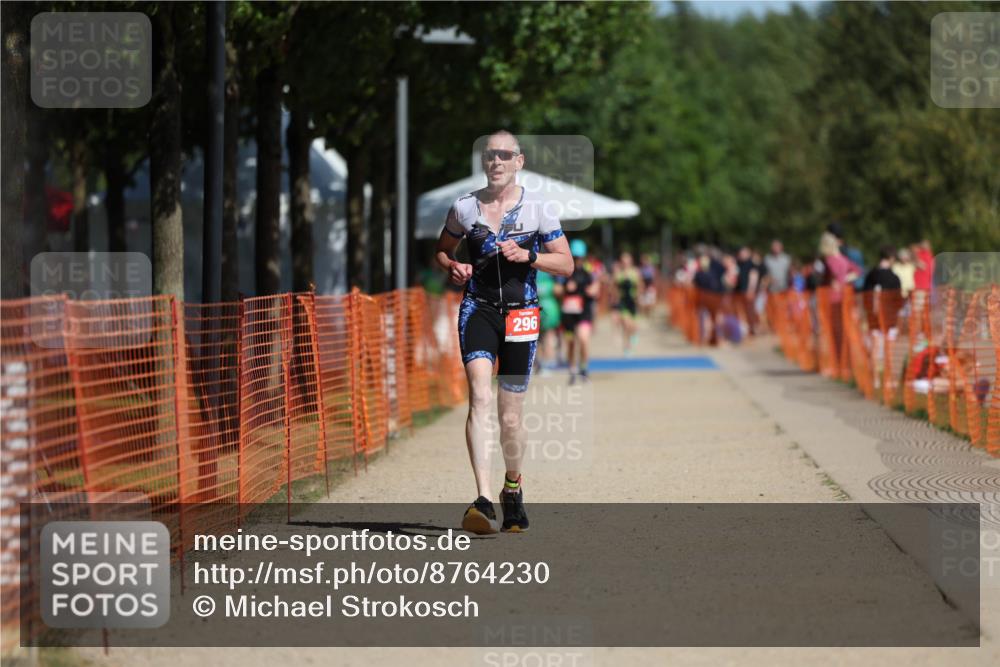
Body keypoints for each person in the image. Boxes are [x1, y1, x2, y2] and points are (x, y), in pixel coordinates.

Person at [434, 130, 573, 535]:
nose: (495, 161)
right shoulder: (464, 208)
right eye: (489, 155)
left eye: (503, 155)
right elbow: (442, 250)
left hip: (522, 314)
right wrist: (451, 266)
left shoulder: (538, 209)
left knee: (509, 415)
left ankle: (512, 487)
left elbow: (566, 265)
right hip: (478, 308)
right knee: (478, 395)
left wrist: (530, 256)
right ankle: (482, 499)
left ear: (519, 161)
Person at [555, 239, 599, 384]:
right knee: (571, 343)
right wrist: (565, 289)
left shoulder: (589, 271)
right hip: (568, 314)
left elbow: (596, 287)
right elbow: (557, 290)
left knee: (584, 339)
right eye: (575, 257)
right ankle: (573, 370)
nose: (577, 260)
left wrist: (591, 290)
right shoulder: (564, 272)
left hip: (584, 312)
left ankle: (584, 368)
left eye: (579, 257)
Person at [613, 251, 642, 354]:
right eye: (623, 261)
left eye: (627, 261)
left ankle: (633, 334)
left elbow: (639, 286)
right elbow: (615, 286)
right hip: (623, 301)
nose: (625, 263)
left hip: (632, 301)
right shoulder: (619, 273)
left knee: (632, 326)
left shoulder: (635, 272)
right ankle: (626, 346)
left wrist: (638, 297)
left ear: (630, 262)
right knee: (626, 324)